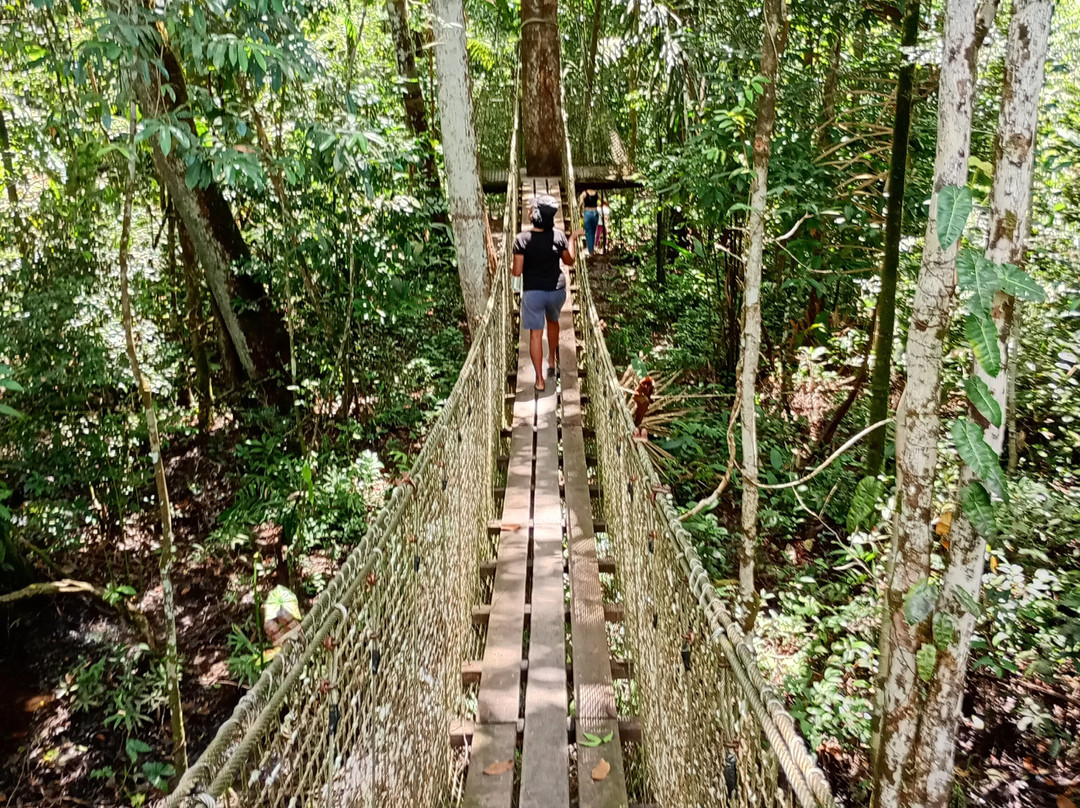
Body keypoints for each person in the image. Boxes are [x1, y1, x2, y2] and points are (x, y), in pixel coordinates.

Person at [512, 195, 584, 392]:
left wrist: (516, 264)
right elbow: (569, 261)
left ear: (535, 215)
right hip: (556, 292)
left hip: (533, 294)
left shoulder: (521, 240)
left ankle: (539, 380)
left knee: (535, 335)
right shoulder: (558, 236)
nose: (529, 211)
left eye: (531, 209)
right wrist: (572, 238)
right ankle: (551, 359)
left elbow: (517, 272)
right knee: (553, 321)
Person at [578, 188, 599, 254]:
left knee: (588, 232)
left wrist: (580, 212)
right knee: (593, 232)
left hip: (587, 213)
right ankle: (592, 249)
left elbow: (581, 203)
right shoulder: (596, 193)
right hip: (595, 212)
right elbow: (603, 200)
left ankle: (590, 250)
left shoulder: (584, 193)